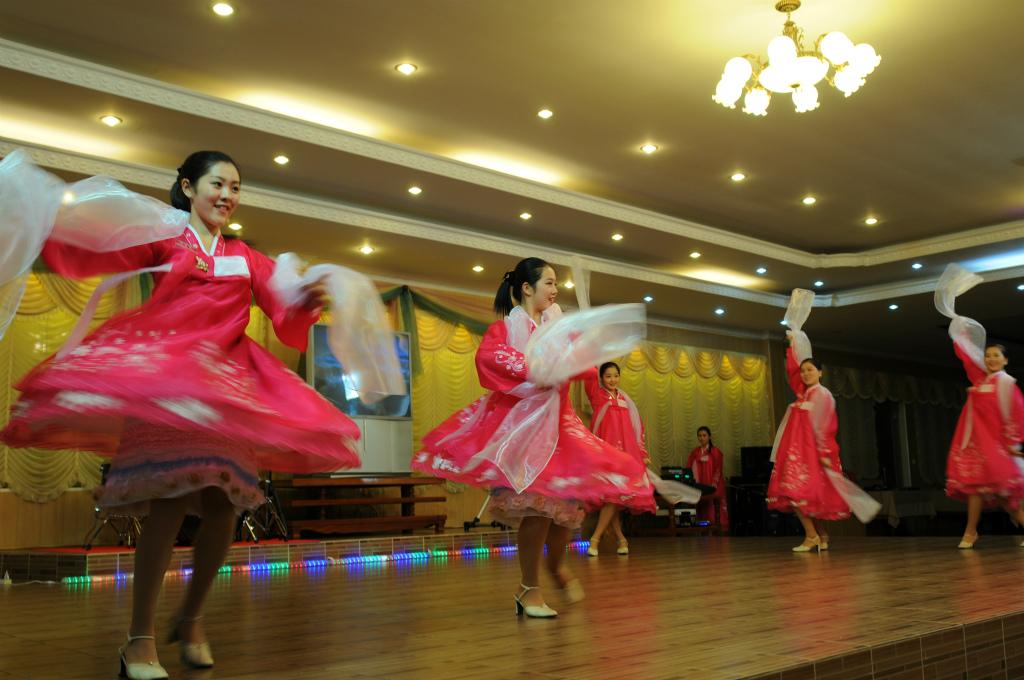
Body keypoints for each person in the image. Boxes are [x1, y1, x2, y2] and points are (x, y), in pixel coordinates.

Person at [1, 150, 366, 679]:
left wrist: (306, 295)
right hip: (168, 386)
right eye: (218, 184)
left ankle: (191, 618)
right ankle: (139, 639)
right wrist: (44, 216)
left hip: (223, 391)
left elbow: (284, 311)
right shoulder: (165, 236)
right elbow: (101, 246)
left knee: (224, 507)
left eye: (236, 187)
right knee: (167, 507)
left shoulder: (247, 257)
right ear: (188, 187)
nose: (228, 196)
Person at [412, 257, 654, 618]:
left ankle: (555, 567)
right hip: (526, 432)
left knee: (567, 511)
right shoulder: (506, 330)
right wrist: (539, 367)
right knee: (539, 511)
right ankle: (529, 589)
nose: (556, 291)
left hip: (561, 428)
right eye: (550, 284)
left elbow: (583, 364)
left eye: (557, 285)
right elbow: (490, 358)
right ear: (527, 288)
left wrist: (578, 354)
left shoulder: (556, 327)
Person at [766, 332, 849, 552]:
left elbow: (826, 426)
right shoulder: (804, 394)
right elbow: (792, 372)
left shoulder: (822, 395)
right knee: (801, 496)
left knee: (798, 495)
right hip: (800, 454)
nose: (804, 374)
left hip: (813, 454)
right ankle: (820, 535)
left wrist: (825, 454)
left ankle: (811, 535)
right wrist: (793, 346)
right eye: (803, 371)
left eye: (810, 370)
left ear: (820, 372)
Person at [583, 361, 651, 556]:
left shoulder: (625, 399)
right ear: (601, 378)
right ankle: (616, 539)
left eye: (615, 375)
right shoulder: (596, 395)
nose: (612, 379)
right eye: (608, 376)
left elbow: (638, 427)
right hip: (604, 454)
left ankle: (603, 540)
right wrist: (593, 352)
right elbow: (589, 373)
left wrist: (642, 453)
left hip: (624, 456)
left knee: (613, 497)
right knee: (612, 497)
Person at [686, 426, 729, 531]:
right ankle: (702, 527)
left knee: (713, 507)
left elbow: (718, 469)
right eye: (699, 436)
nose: (701, 438)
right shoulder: (695, 453)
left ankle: (717, 526)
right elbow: (688, 468)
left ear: (709, 437)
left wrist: (713, 484)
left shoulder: (715, 452)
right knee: (701, 506)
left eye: (704, 435)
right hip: (700, 484)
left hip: (713, 484)